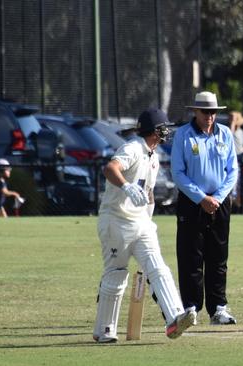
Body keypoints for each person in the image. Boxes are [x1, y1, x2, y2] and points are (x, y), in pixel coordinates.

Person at [93, 108, 196, 343]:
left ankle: (175, 318)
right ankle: (104, 330)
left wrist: (148, 216)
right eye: (164, 128)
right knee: (117, 275)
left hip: (141, 223)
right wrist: (126, 187)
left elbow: (148, 192)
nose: (167, 132)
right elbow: (110, 168)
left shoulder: (153, 156)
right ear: (155, 131)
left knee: (158, 267)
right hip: (116, 221)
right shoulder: (132, 148)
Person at [170, 91, 239, 325]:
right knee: (191, 256)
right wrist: (201, 198)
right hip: (192, 202)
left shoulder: (225, 134)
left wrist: (217, 197)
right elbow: (178, 172)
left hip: (219, 203)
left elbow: (233, 171)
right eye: (205, 112)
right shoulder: (183, 135)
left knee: (218, 257)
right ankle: (190, 308)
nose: (210, 116)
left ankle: (218, 308)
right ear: (195, 112)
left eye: (213, 112)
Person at [228, 111, 243, 208]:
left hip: (240, 159)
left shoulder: (241, 131)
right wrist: (232, 123)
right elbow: (230, 137)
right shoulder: (229, 130)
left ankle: (238, 205)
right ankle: (232, 203)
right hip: (232, 159)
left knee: (239, 184)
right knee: (233, 184)